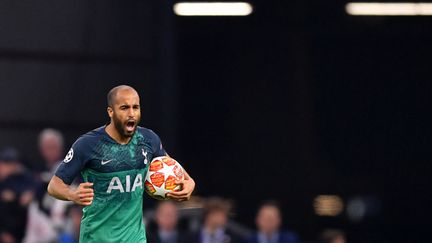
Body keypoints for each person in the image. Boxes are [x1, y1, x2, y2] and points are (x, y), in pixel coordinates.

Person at [47, 85, 195, 242]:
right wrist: (73, 194)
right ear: (111, 112)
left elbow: (171, 165)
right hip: (97, 238)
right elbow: (54, 185)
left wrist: (190, 182)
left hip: (135, 238)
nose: (131, 113)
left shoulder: (149, 139)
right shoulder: (87, 144)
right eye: (124, 108)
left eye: (135, 107)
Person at [0, 147, 35, 243]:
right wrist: (2, 233)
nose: (11, 167)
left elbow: (32, 189)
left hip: (19, 231)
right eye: (7, 164)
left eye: (13, 164)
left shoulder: (19, 178)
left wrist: (28, 195)